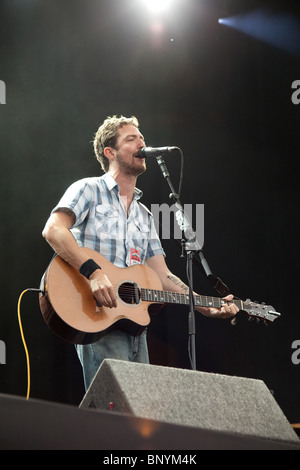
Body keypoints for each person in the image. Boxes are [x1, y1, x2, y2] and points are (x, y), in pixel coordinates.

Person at [42, 115, 238, 390]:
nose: (142, 143)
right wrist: (94, 273)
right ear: (109, 152)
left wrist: (205, 304)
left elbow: (163, 274)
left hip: (133, 326)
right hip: (95, 314)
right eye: (131, 139)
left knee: (137, 415)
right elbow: (53, 230)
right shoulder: (88, 189)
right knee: (115, 416)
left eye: (142, 138)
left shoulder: (144, 215)